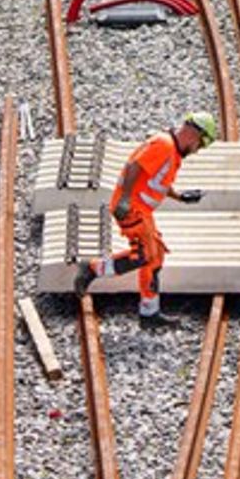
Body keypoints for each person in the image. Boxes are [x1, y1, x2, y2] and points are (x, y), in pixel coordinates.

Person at [89, 112, 216, 326]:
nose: (197, 151)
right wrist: (125, 200)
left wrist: (180, 197)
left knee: (155, 257)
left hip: (142, 210)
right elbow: (134, 167)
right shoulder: (164, 146)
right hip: (132, 209)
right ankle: (93, 269)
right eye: (200, 146)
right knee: (144, 255)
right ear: (195, 134)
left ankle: (149, 312)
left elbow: (157, 181)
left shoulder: (172, 151)